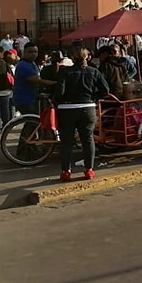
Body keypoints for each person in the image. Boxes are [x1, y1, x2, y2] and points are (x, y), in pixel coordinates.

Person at [53, 46, 110, 181]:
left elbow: (59, 92)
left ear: (72, 59)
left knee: (66, 142)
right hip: (88, 107)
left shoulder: (65, 72)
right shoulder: (94, 71)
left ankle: (66, 171)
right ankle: (88, 170)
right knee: (88, 139)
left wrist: (58, 102)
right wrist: (93, 98)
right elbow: (105, 90)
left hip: (67, 109)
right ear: (87, 57)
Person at [13, 45, 55, 116]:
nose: (34, 54)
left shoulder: (32, 63)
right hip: (24, 100)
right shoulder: (23, 65)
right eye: (30, 52)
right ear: (24, 52)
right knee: (33, 121)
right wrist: (55, 83)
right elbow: (37, 80)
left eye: (35, 52)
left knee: (32, 122)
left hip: (32, 98)